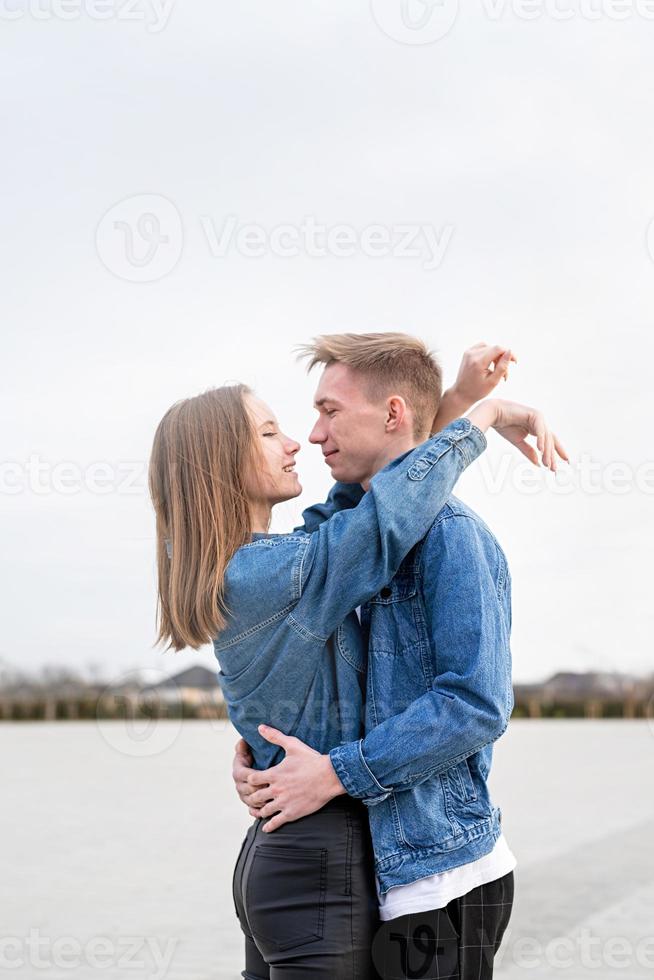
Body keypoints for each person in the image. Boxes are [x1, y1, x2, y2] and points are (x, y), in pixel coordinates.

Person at [149, 338, 565, 980]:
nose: (301, 441)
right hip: (324, 869)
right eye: (270, 431)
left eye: (323, 414)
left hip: (293, 862)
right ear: (219, 464)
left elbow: (367, 508)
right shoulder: (273, 571)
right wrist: (484, 418)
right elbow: (378, 524)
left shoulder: (271, 561)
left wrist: (449, 403)